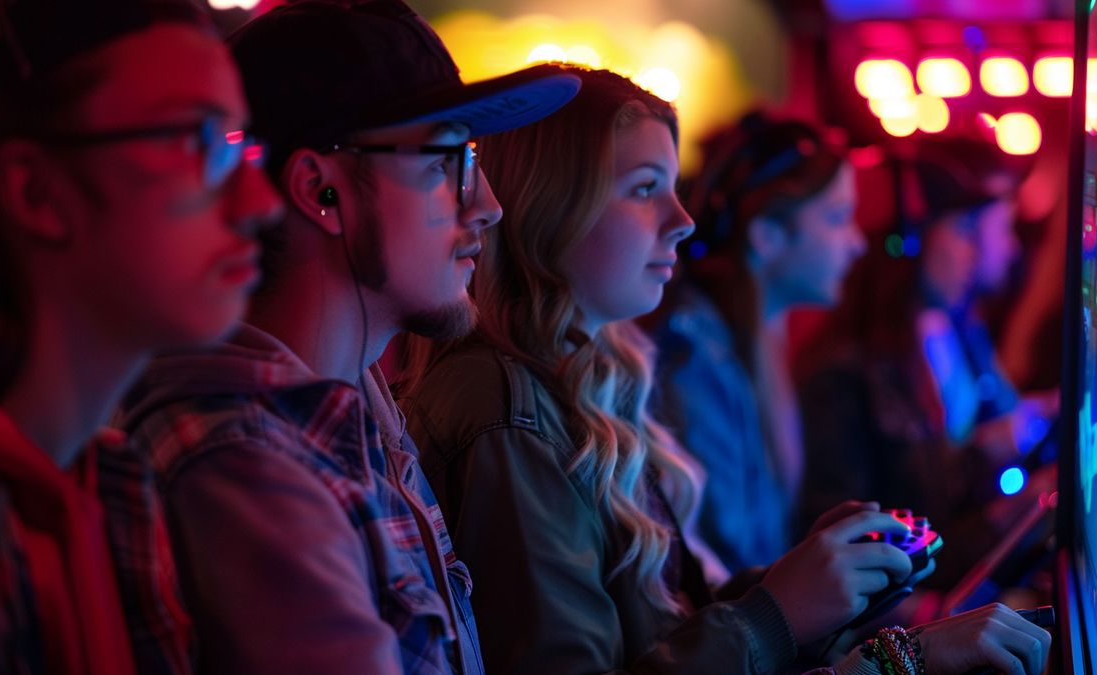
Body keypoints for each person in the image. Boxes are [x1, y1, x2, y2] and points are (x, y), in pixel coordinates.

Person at [400, 67, 1051, 675]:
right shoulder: (506, 405)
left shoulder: (588, 377)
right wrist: (806, 621)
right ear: (552, 207)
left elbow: (672, 620)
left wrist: (806, 588)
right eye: (645, 189)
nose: (681, 223)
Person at [109, 1, 580, 673]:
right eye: (447, 162)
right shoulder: (243, 465)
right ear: (320, 190)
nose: (488, 206)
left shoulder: (354, 408)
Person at [0, 0, 282, 672]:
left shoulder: (106, 481)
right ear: (35, 192)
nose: (262, 203)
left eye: (240, 143)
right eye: (200, 143)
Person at [797, 138, 1051, 588]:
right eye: (963, 231)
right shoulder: (844, 375)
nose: (975, 252)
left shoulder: (954, 330)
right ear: (910, 240)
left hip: (958, 582)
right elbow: (862, 556)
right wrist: (998, 506)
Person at [648, 112, 866, 576]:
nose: (858, 242)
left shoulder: (756, 335)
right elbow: (738, 554)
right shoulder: (694, 353)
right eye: (838, 217)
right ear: (766, 235)